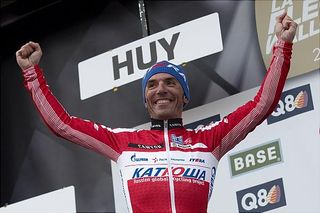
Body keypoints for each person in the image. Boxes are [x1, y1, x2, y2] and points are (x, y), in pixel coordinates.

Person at [16, 11, 297, 213]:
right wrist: (32, 73)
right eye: (152, 85)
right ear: (146, 100)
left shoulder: (211, 139)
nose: (160, 89)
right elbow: (62, 125)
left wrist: (282, 46)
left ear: (185, 96)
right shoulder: (122, 142)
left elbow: (262, 105)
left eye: (170, 82)